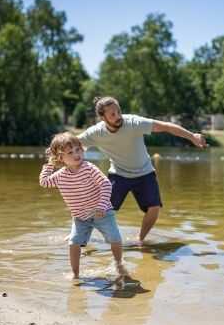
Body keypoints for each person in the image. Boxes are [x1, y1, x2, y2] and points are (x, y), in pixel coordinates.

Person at [78, 96, 207, 243]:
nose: (118, 116)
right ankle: (79, 235)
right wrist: (54, 152)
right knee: (101, 209)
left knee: (154, 208)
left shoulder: (133, 123)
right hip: (118, 174)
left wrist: (192, 136)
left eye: (118, 111)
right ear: (102, 117)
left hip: (145, 173)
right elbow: (71, 143)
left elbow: (166, 126)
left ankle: (140, 240)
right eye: (112, 114)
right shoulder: (95, 133)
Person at [39, 132, 127, 279]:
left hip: (102, 212)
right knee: (73, 243)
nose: (76, 154)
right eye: (70, 152)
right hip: (80, 217)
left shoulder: (88, 168)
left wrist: (102, 204)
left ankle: (118, 263)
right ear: (60, 158)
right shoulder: (60, 176)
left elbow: (106, 184)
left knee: (115, 238)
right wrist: (49, 163)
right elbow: (44, 182)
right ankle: (75, 274)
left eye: (78, 150)